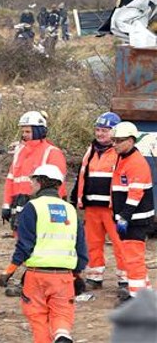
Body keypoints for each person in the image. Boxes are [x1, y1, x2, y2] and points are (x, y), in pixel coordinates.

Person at [0, 164, 88, 343]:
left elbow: (24, 246)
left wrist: (9, 271)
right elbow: (81, 248)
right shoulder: (70, 209)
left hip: (37, 275)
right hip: (63, 276)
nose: (31, 184)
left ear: (40, 182)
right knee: (62, 313)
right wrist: (77, 273)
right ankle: (62, 335)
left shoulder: (32, 207)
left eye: (33, 180)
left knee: (38, 317)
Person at [69, 112, 128, 291]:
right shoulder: (91, 150)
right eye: (98, 130)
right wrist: (75, 198)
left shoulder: (120, 153)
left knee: (121, 243)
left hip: (113, 208)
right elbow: (82, 176)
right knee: (92, 242)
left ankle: (125, 279)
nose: (100, 134)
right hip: (92, 206)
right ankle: (94, 276)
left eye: (105, 131)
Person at [109, 121, 153, 304]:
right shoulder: (123, 158)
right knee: (132, 258)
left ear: (130, 140)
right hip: (129, 217)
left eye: (119, 141)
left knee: (133, 259)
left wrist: (124, 217)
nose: (115, 144)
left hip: (136, 219)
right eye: (114, 140)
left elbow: (135, 194)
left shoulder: (136, 163)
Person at [2, 111, 67, 232]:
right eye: (23, 131)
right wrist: (6, 205)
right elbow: (10, 180)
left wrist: (58, 208)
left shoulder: (52, 152)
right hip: (19, 202)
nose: (24, 134)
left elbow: (59, 185)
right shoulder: (20, 151)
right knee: (20, 240)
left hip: (41, 203)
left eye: (28, 131)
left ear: (39, 131)